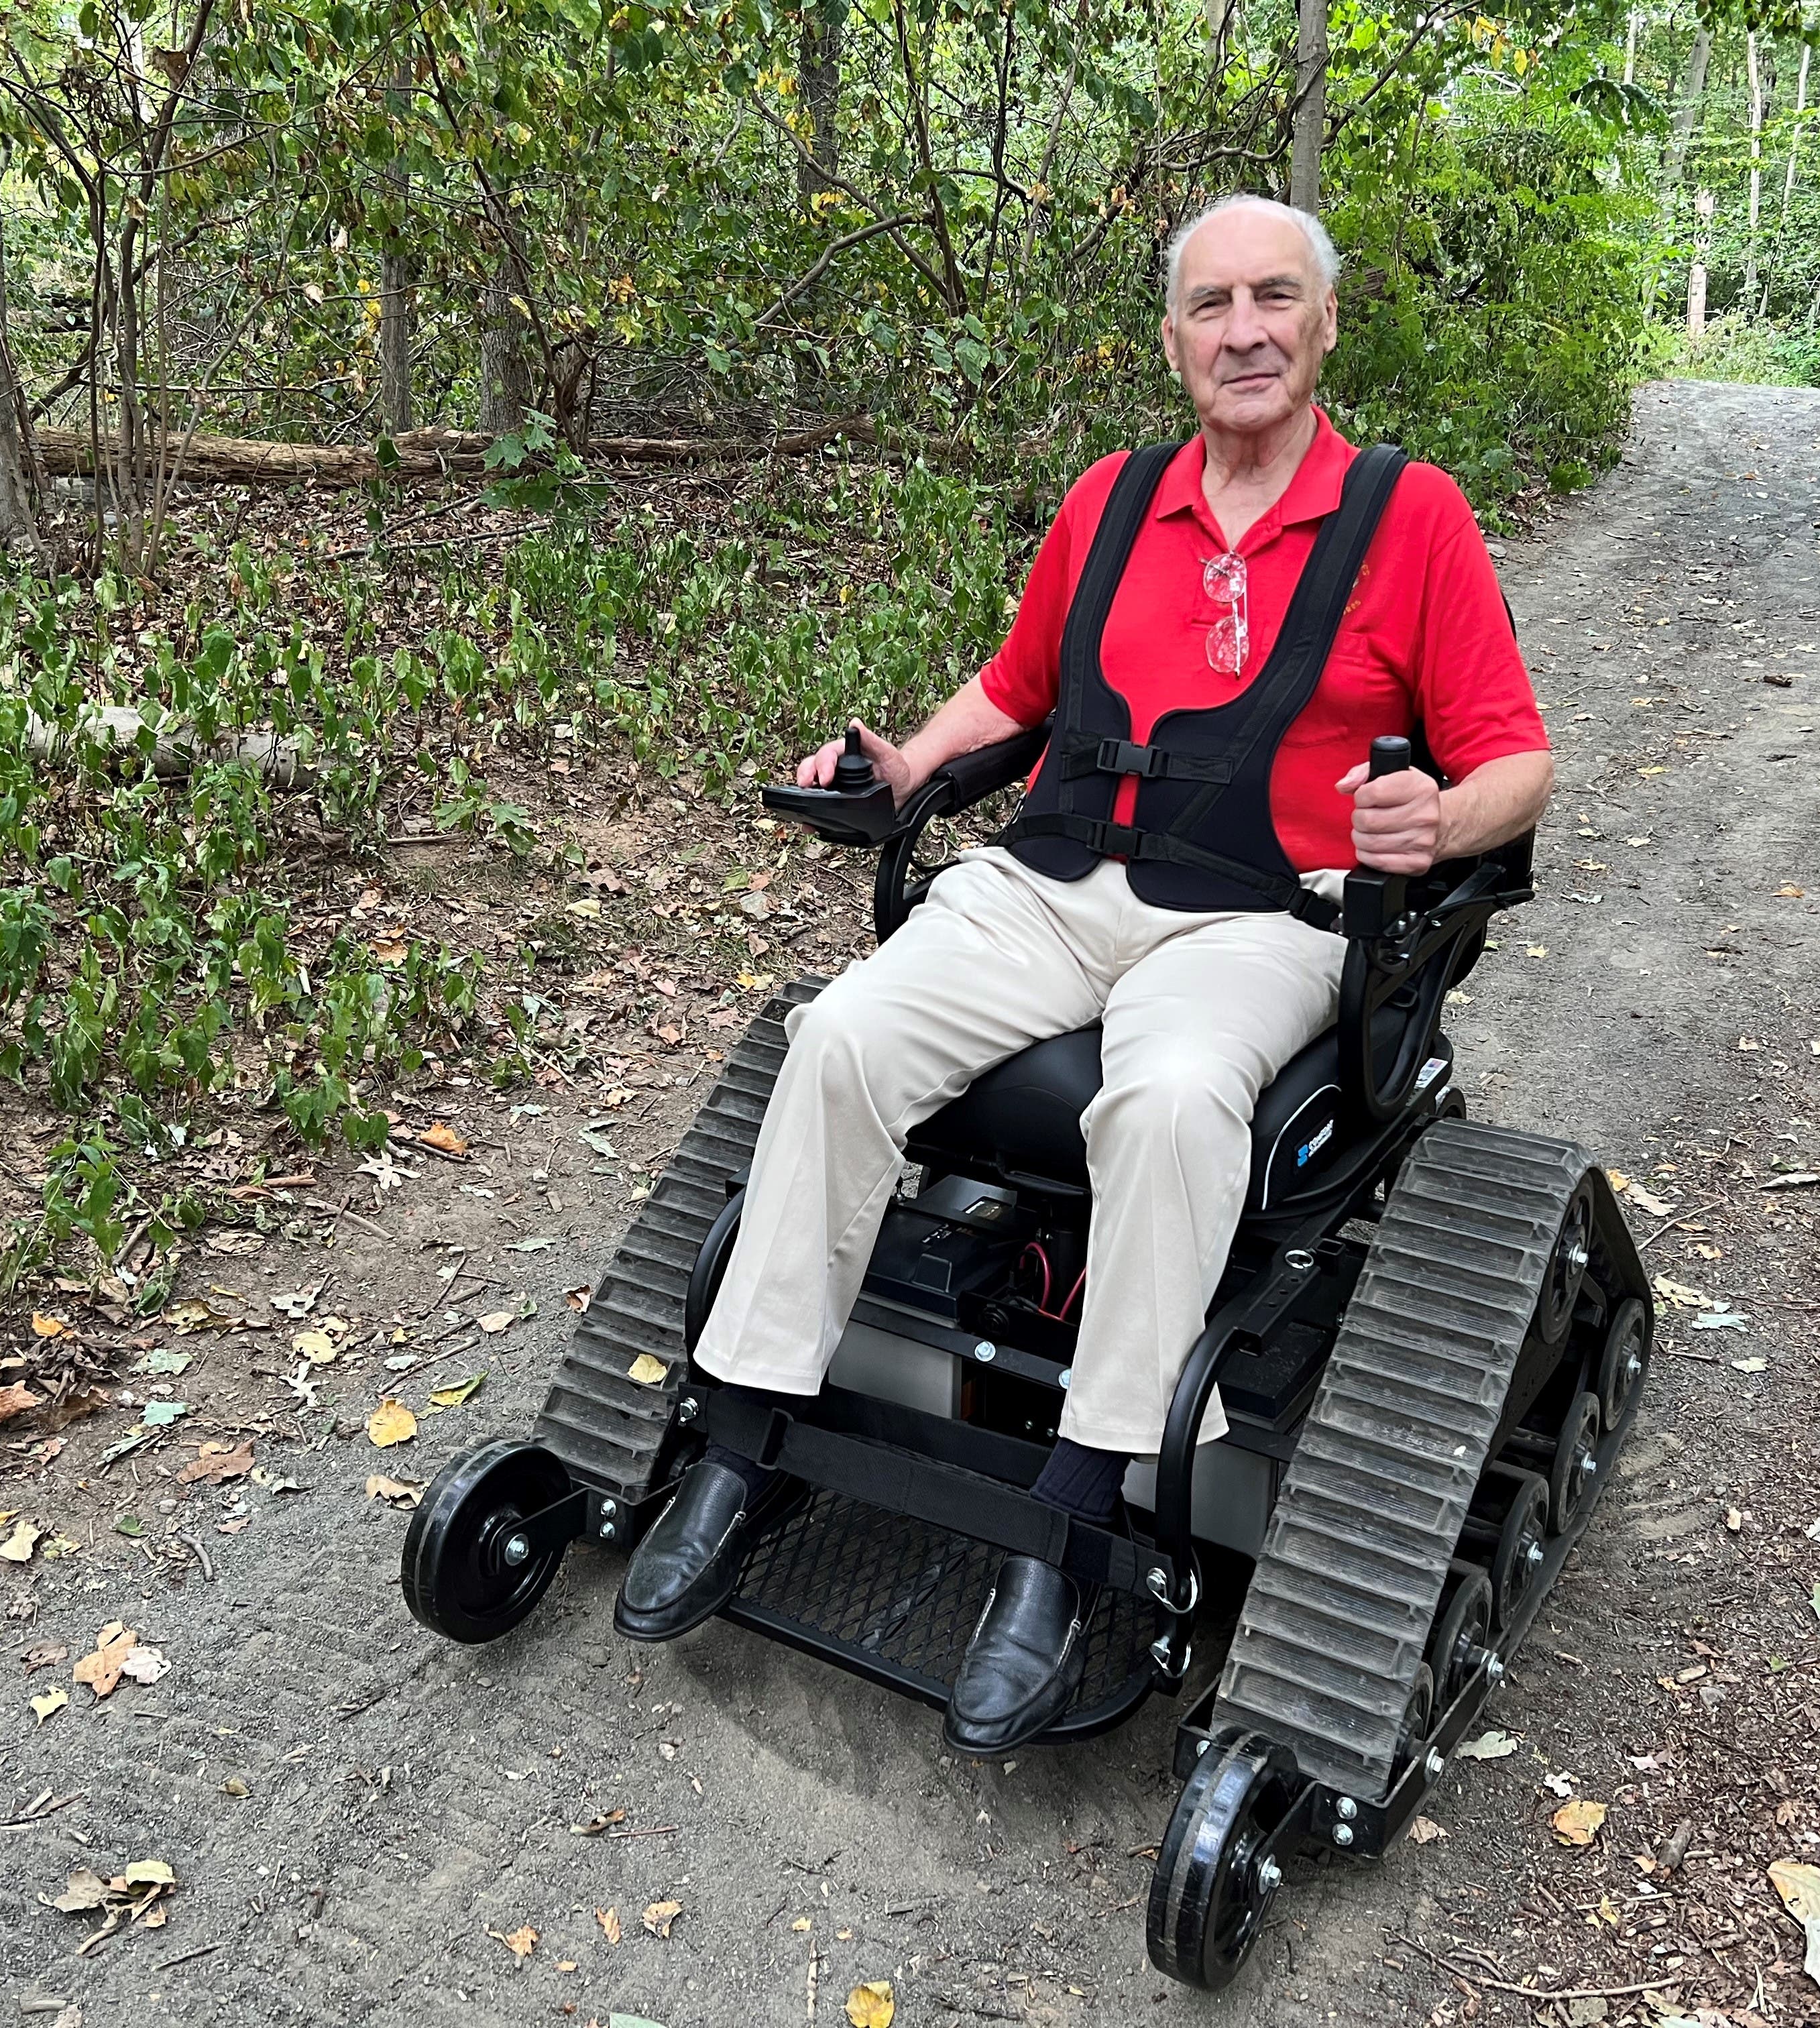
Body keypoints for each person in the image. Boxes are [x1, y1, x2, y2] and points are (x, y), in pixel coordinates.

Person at [616, 193, 1554, 1753]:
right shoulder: (1115, 501)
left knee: (1171, 1102)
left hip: (1260, 917)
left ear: (1324, 325)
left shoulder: (1411, 519)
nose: (1243, 331)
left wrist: (1439, 819)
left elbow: (1517, 761)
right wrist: (905, 766)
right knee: (840, 1037)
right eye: (1211, 306)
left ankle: (1067, 1521)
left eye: (1273, 299)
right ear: (1174, 340)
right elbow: (1014, 689)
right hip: (1052, 889)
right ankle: (740, 1438)